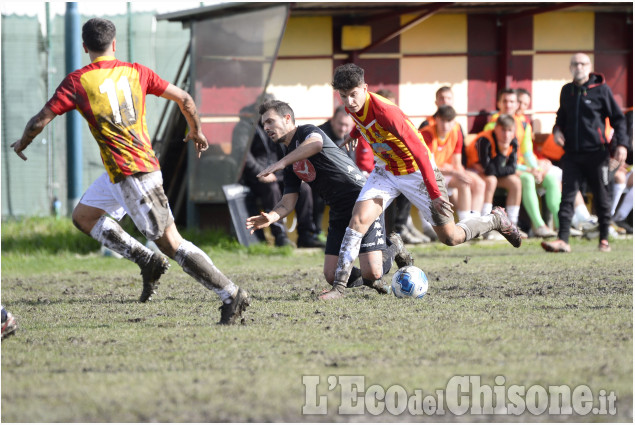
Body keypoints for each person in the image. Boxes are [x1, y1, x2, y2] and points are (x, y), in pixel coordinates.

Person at [10, 18, 249, 324]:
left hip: (134, 174)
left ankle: (231, 294)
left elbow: (38, 122)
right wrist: (197, 131)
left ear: (84, 47)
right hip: (121, 172)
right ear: (115, 43)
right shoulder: (137, 72)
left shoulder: (78, 81)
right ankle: (146, 260)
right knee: (84, 217)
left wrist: (23, 143)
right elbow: (185, 99)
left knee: (170, 242)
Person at [323, 63, 521, 300]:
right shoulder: (353, 106)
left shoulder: (387, 112)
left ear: (365, 88)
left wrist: (435, 193)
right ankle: (339, 289)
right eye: (343, 97)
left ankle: (495, 219)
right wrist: (354, 134)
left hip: (416, 172)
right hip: (385, 172)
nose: (350, 102)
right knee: (357, 220)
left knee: (451, 237)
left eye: (353, 95)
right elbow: (364, 122)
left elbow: (422, 153)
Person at [246, 100, 414, 295]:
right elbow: (288, 201)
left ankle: (394, 246)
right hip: (338, 209)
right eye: (263, 124)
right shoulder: (289, 155)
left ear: (287, 118)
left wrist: (282, 163)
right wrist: (271, 217)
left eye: (270, 121)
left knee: (373, 270)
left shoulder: (306, 132)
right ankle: (369, 280)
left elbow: (316, 144)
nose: (266, 127)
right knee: (331, 274)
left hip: (362, 199)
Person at [542, 53, 628, 253]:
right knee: (567, 196)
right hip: (571, 154)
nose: (578, 66)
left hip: (597, 154)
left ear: (589, 67)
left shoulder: (602, 90)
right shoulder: (566, 91)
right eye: (575, 63)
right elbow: (560, 117)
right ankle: (563, 240)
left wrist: (622, 145)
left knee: (601, 196)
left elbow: (618, 119)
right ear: (570, 67)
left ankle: (604, 239)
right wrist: (557, 130)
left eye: (582, 63)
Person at [240, 104, 322, 248]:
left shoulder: (280, 131)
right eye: (265, 120)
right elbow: (243, 155)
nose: (267, 124)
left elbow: (287, 153)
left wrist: (297, 175)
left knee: (304, 189)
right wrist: (260, 173)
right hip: (256, 176)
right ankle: (280, 236)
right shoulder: (244, 127)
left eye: (271, 120)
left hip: (279, 172)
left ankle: (306, 235)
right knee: (271, 188)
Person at [484, 89, 558, 238]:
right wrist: (529, 171)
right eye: (505, 101)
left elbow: (527, 152)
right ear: (499, 103)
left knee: (550, 178)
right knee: (527, 178)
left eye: (512, 101)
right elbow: (501, 160)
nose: (508, 105)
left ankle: (563, 225)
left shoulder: (523, 124)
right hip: (503, 170)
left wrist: (536, 169)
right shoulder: (493, 125)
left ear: (517, 104)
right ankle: (539, 226)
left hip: (522, 168)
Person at [420, 105, 485, 221]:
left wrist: (459, 173)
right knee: (463, 182)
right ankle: (466, 221)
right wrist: (455, 172)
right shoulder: (427, 134)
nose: (445, 125)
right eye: (443, 121)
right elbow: (429, 167)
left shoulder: (456, 133)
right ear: (437, 119)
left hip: (447, 172)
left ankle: (475, 221)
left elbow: (457, 163)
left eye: (449, 121)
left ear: (454, 122)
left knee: (479, 183)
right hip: (428, 175)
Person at [466, 114, 523, 234]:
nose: (506, 135)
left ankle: (512, 224)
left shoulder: (513, 141)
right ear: (496, 128)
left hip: (493, 172)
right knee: (491, 180)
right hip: (473, 169)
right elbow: (487, 169)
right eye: (503, 130)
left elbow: (512, 168)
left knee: (516, 182)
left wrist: (501, 163)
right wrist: (502, 153)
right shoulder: (485, 139)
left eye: (509, 130)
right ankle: (486, 224)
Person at [314, 105, 355, 240]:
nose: (343, 129)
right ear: (332, 121)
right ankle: (316, 232)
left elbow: (351, 163)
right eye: (340, 124)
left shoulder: (350, 136)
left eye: (347, 126)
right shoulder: (319, 134)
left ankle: (352, 233)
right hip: (319, 178)